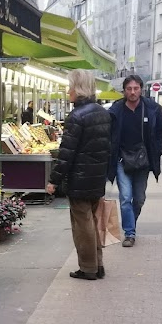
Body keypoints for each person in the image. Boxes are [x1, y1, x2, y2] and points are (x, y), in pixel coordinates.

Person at [47, 70, 112, 280]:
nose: (68, 91)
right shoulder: (102, 113)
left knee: (82, 225)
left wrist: (53, 180)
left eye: (71, 87)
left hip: (80, 179)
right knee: (92, 222)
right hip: (96, 177)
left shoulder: (76, 117)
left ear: (78, 88)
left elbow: (66, 154)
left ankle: (88, 267)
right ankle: (98, 265)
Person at [106, 74, 162, 247]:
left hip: (143, 160)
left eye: (136, 88)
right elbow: (109, 134)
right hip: (121, 159)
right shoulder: (116, 110)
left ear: (141, 89)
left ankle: (130, 222)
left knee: (139, 198)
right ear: (124, 91)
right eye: (129, 89)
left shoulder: (151, 109)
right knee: (125, 197)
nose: (132, 92)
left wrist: (157, 151)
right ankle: (130, 233)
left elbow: (161, 132)